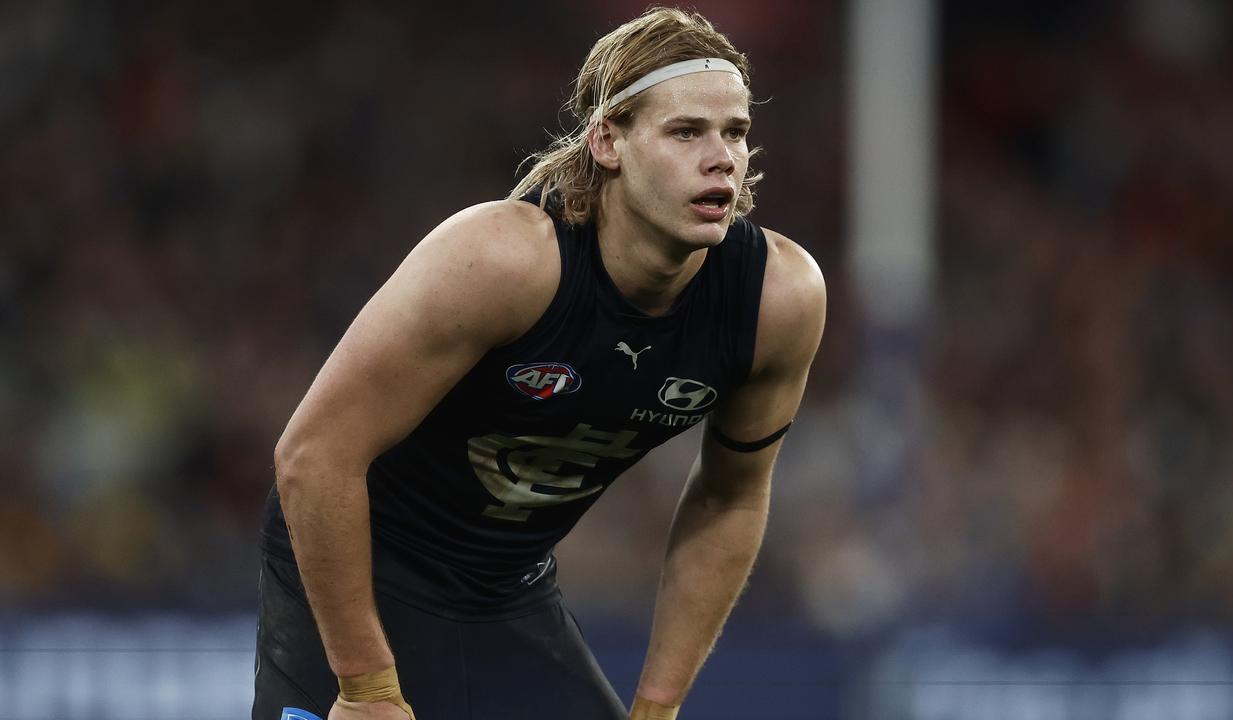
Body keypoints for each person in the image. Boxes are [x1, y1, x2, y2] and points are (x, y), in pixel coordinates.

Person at [253, 7, 825, 720]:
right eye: (686, 132)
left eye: (735, 132)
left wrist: (657, 707)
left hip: (506, 593)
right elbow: (313, 456)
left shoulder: (777, 298)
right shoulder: (503, 260)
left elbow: (729, 497)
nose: (723, 158)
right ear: (607, 141)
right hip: (360, 576)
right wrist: (366, 688)